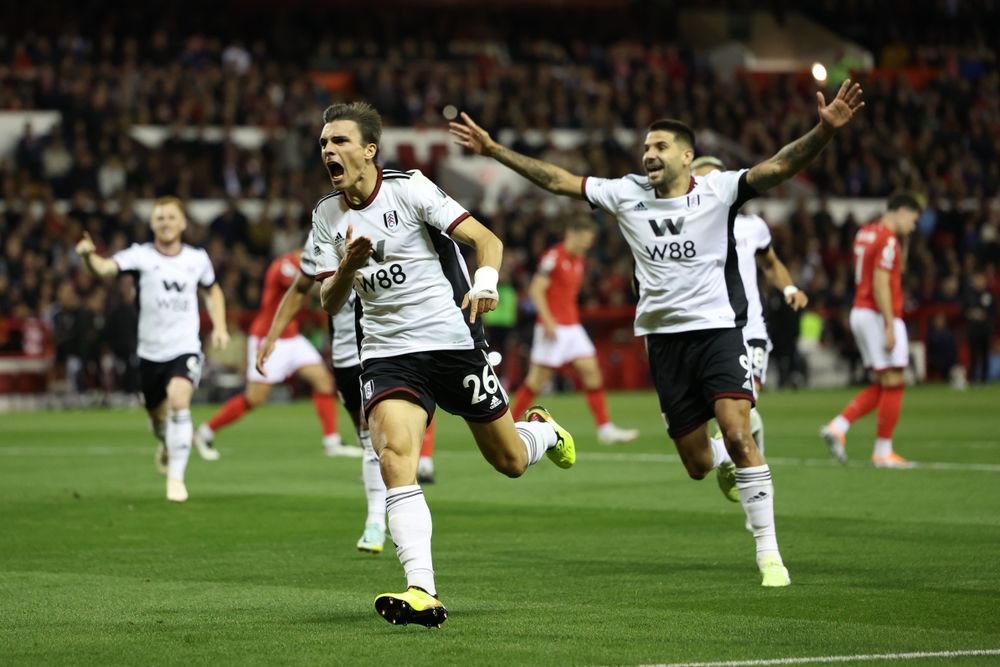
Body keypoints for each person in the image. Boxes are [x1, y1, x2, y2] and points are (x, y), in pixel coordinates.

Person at [451, 79, 866, 587]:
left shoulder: (719, 191)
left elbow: (779, 166)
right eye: (646, 146)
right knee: (696, 463)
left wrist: (823, 132)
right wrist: (495, 150)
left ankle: (770, 554)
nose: (649, 153)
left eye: (660, 146)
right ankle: (727, 456)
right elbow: (561, 180)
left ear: (687, 156)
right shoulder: (627, 194)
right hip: (664, 343)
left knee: (736, 431)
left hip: (718, 333)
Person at [311, 101, 575, 627]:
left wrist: (485, 282)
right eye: (323, 143)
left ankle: (540, 431)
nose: (328, 151)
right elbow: (328, 300)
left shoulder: (410, 187)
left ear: (369, 150)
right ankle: (421, 590)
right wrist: (347, 267)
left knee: (510, 461)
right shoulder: (325, 215)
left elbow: (486, 240)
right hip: (387, 354)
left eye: (339, 141)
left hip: (452, 340)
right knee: (394, 457)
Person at [254, 230, 436, 554]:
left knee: (382, 434)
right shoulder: (322, 230)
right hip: (346, 354)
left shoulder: (396, 216)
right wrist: (273, 335)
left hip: (392, 346)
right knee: (369, 439)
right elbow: (300, 287)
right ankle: (389, 514)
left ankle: (377, 521)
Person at [75, 196, 229, 502]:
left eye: (171, 217)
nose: (166, 222)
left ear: (183, 223)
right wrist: (88, 257)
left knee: (179, 399)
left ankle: (176, 479)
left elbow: (212, 290)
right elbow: (105, 269)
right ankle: (166, 442)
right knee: (159, 420)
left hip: (185, 347)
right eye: (160, 218)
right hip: (149, 353)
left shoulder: (197, 259)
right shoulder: (140, 256)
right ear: (151, 223)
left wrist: (221, 326)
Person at [192, 247, 363, 460]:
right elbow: (310, 288)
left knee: (323, 382)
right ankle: (205, 431)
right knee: (255, 398)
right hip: (268, 336)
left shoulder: (304, 262)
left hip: (292, 337)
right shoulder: (284, 265)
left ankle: (332, 441)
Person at [691, 156, 809, 453]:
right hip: (707, 331)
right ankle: (745, 460)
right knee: (722, 414)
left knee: (740, 406)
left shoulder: (751, 227)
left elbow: (770, 264)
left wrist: (790, 287)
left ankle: (740, 466)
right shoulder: (685, 231)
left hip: (749, 330)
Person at [511, 216, 639, 444]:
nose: (586, 245)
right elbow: (536, 290)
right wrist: (548, 321)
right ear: (571, 235)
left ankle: (605, 429)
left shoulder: (579, 259)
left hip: (572, 328)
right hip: (553, 327)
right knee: (536, 382)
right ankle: (507, 427)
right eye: (583, 240)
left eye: (589, 241)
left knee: (592, 373)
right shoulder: (553, 257)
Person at [820, 193, 921, 468]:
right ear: (901, 211)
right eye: (913, 220)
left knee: (885, 381)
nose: (913, 227)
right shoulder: (888, 239)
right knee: (896, 379)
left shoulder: (866, 232)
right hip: (878, 313)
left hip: (861, 311)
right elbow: (881, 282)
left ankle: (839, 426)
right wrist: (890, 324)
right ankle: (883, 451)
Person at [962, 271, 996, 384]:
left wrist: (985, 315)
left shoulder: (989, 295)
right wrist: (970, 314)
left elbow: (993, 312)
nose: (979, 282)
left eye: (981, 280)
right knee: (973, 354)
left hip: (985, 329)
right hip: (973, 329)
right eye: (977, 280)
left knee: (985, 354)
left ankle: (984, 378)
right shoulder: (969, 295)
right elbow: (963, 310)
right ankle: (972, 378)